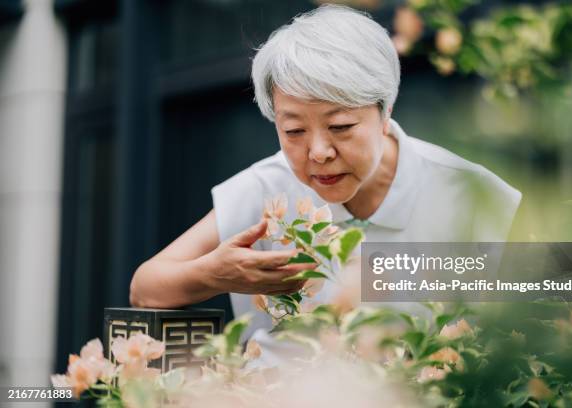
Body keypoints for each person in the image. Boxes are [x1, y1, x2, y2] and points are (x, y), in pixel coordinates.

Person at [129, 5, 521, 353]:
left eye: (341, 126)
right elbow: (145, 288)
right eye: (294, 131)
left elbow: (562, 297)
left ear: (385, 112)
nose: (318, 152)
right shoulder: (266, 187)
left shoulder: (470, 193)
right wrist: (214, 274)